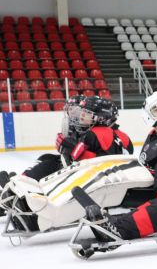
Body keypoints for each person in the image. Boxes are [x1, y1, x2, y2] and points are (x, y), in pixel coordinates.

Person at [0, 95, 132, 225]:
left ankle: (22, 196)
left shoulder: (93, 133)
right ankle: (19, 191)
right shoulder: (122, 136)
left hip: (94, 182)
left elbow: (92, 162)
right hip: (115, 184)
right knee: (49, 162)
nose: (80, 117)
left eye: (86, 114)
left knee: (49, 165)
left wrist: (70, 149)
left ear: (101, 118)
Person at [83, 91, 157, 241]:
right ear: (148, 115)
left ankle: (120, 229)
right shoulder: (154, 134)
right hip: (156, 187)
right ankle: (111, 219)